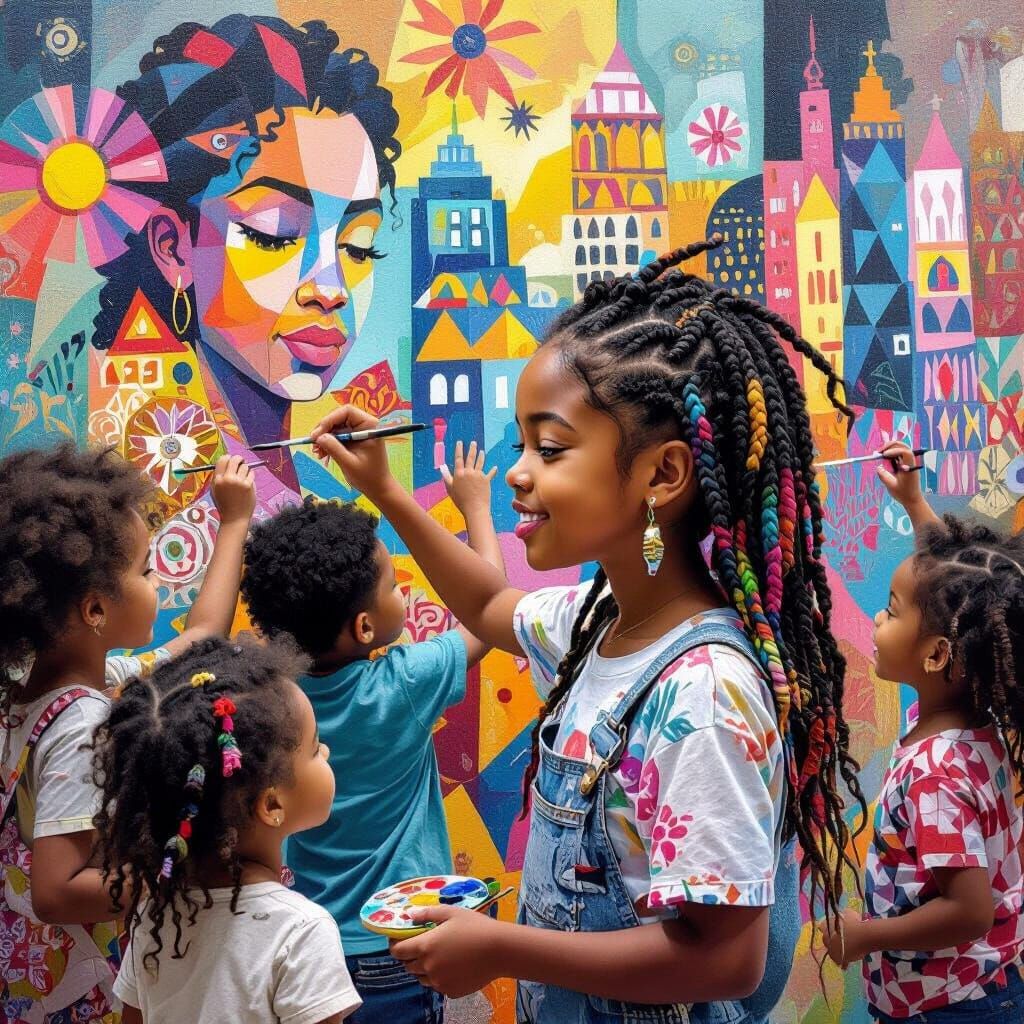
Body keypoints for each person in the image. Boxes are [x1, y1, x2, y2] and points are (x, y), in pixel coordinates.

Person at [308, 239, 865, 1024]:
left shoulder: (702, 694)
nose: (516, 471)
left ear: (662, 476)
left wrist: (505, 949)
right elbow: (492, 609)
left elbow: (726, 958)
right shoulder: (600, 621)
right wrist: (387, 491)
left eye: (551, 447)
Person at [239, 441, 500, 1024]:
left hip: (307, 942)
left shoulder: (269, 705)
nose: (401, 593)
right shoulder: (405, 683)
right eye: (391, 587)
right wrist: (476, 509)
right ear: (364, 627)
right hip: (397, 944)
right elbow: (489, 611)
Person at [91, 14, 401, 491]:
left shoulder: (319, 479)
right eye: (274, 235)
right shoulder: (149, 479)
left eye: (359, 247)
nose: (331, 289)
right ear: (171, 248)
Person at [0, 443, 255, 1022]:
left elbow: (202, 635)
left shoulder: (36, 687)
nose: (159, 583)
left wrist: (233, 520)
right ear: (94, 610)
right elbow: (57, 891)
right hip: (73, 993)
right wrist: (188, 868)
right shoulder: (80, 721)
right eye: (144, 571)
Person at [825, 441, 1024, 1023]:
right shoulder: (965, 723)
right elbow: (951, 586)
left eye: (889, 609)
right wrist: (915, 504)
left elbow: (968, 912)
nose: (879, 620)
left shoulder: (935, 771)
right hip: (974, 990)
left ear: (937, 654)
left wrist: (866, 937)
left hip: (955, 1006)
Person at [93, 635, 361, 1023]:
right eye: (315, 747)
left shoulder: (155, 915)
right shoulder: (300, 932)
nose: (327, 752)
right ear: (272, 805)